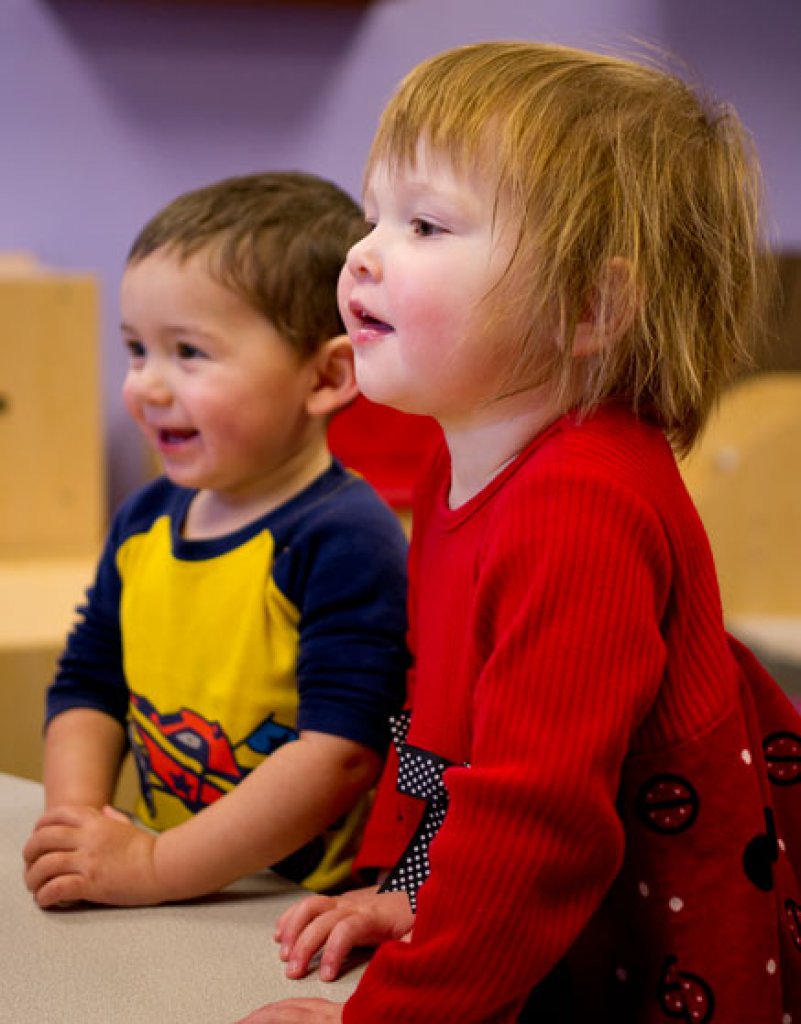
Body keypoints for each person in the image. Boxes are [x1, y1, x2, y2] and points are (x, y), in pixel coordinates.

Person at [234, 42, 801, 1024]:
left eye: (423, 223)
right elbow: (466, 734)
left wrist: (394, 1016)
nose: (362, 252)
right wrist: (421, 895)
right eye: (373, 215)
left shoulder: (580, 505)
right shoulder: (460, 457)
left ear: (591, 308)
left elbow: (536, 821)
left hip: (655, 948)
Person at [22, 171, 410, 907]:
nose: (147, 386)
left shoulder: (344, 539)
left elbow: (339, 756)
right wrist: (75, 826)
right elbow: (89, 682)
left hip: (288, 912)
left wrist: (154, 869)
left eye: (189, 353)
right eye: (138, 350)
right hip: (172, 891)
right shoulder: (145, 519)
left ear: (327, 375)